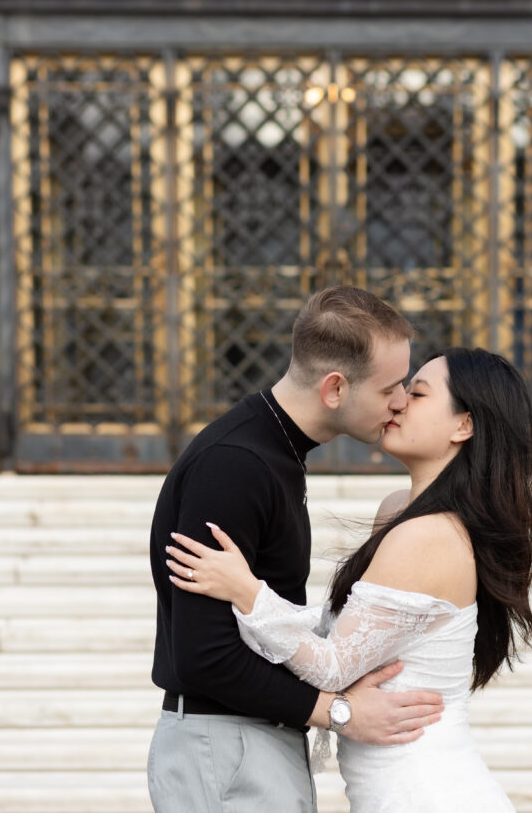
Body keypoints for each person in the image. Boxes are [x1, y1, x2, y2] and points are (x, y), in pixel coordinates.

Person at [165, 346, 532, 812]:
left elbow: (332, 667)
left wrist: (247, 592)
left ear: (463, 425)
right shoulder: (399, 510)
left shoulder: (430, 535)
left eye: (418, 393)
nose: (399, 403)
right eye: (399, 390)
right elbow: (341, 639)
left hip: (427, 791)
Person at [148, 286, 446, 813]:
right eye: (390, 389)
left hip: (245, 744)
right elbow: (203, 657)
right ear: (335, 388)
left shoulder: (273, 453)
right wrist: (339, 712)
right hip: (227, 748)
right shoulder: (235, 466)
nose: (400, 402)